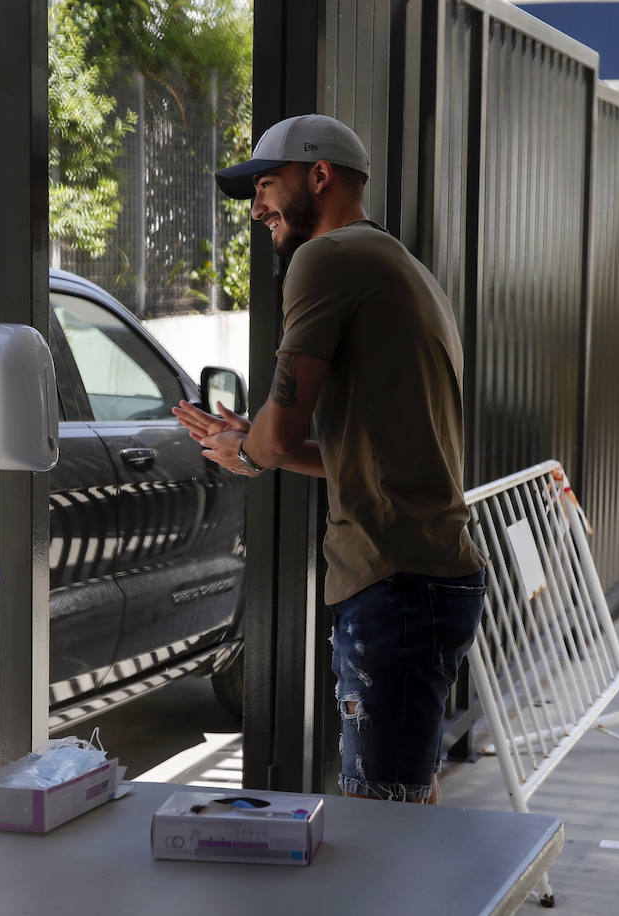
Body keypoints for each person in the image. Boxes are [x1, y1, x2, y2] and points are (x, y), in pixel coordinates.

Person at [171, 114, 486, 805]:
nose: (256, 208)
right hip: (427, 578)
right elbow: (359, 456)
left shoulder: (328, 258)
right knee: (407, 802)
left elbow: (279, 439)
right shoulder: (397, 262)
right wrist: (257, 441)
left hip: (394, 581)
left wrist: (248, 450)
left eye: (267, 185)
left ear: (320, 176)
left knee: (379, 828)